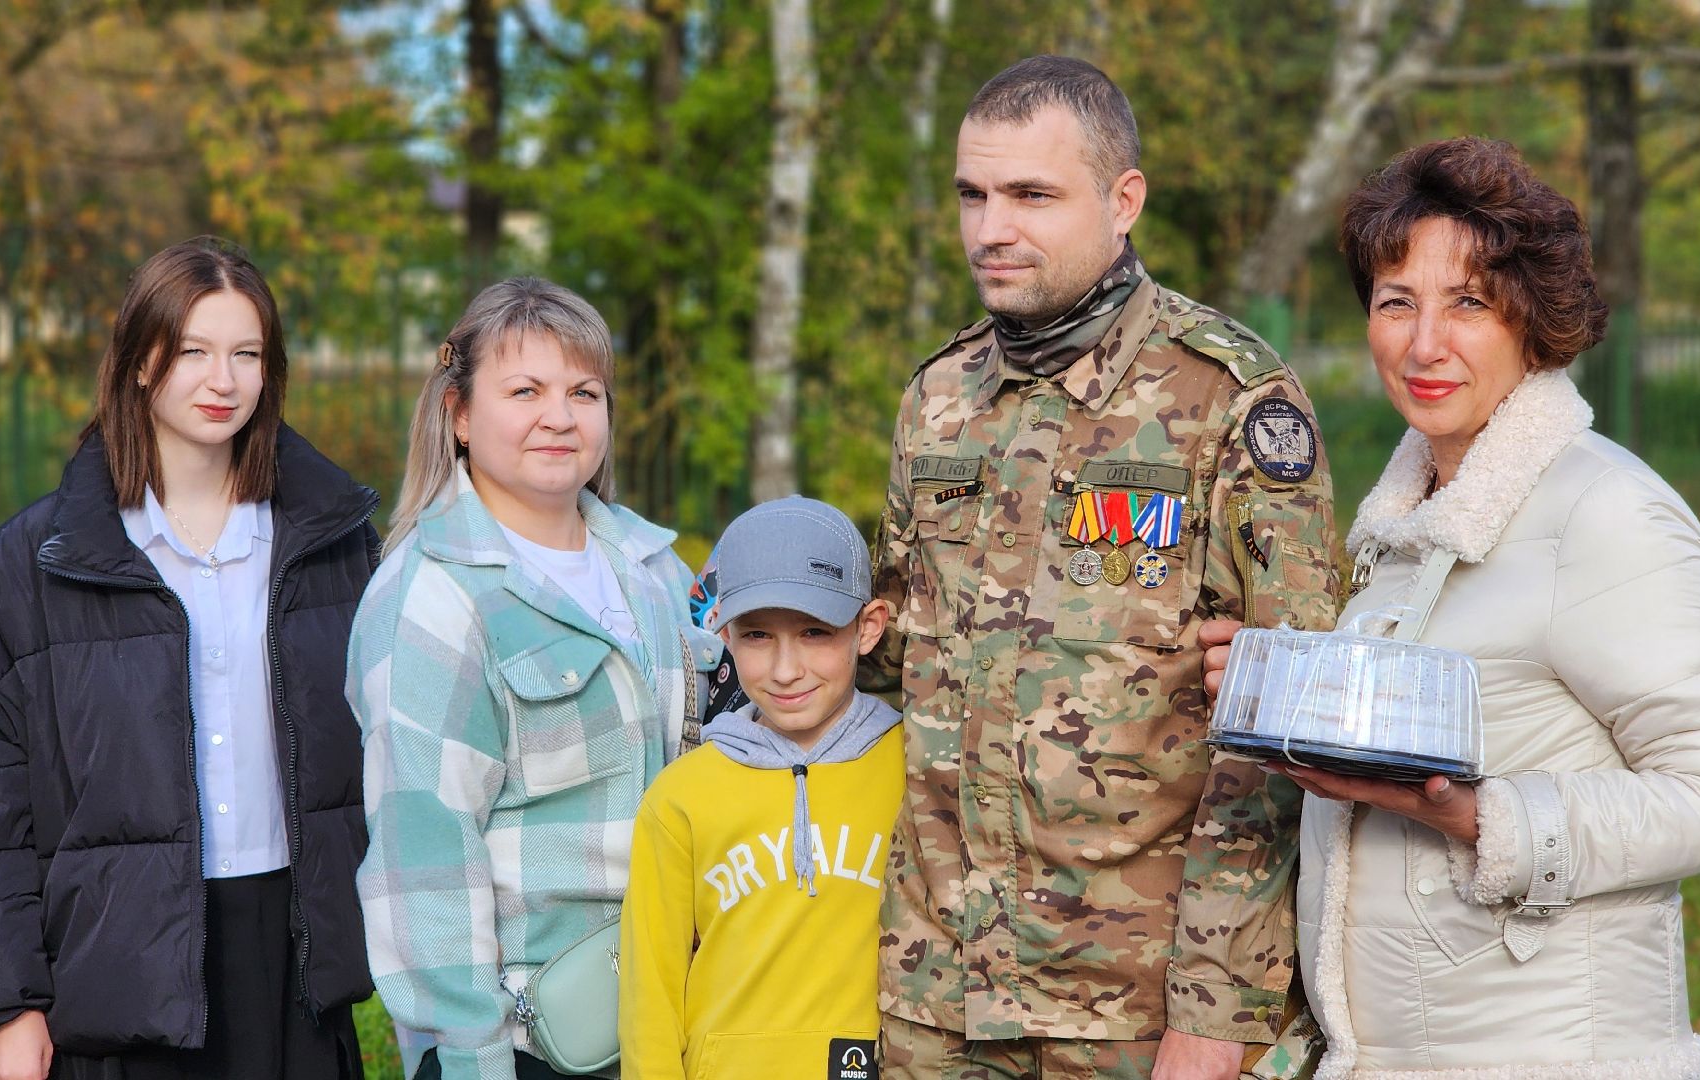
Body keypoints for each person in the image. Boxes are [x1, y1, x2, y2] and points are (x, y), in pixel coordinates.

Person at [1199, 137, 1700, 1078]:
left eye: (1468, 303)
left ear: (1533, 318)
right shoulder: (1405, 526)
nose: (1423, 344)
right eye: (1396, 302)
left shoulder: (1605, 511)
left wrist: (1486, 818)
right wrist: (1285, 692)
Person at [869, 55, 1340, 1079]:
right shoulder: (938, 398)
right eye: (972, 194)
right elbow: (894, 654)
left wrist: (1215, 1015)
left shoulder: (1228, 399)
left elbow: (1281, 740)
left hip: (1130, 1006)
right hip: (934, 990)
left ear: (1123, 201)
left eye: (1031, 195)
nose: (990, 228)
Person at [0, 237, 379, 1080]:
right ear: (141, 361)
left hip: (296, 974)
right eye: (192, 351)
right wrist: (7, 1004)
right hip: (115, 983)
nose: (223, 380)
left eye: (247, 354)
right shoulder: (30, 567)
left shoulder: (337, 549)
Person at [349, 277, 720, 1080]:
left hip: (675, 1020)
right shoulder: (429, 599)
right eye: (525, 391)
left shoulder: (654, 569)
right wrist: (473, 1060)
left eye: (585, 393)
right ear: (459, 414)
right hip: (531, 1046)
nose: (560, 416)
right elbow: (424, 865)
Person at [619, 496, 900, 1080]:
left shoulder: (915, 773)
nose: (785, 669)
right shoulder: (681, 795)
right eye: (757, 636)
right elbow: (651, 988)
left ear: (868, 627)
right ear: (723, 631)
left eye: (815, 632)